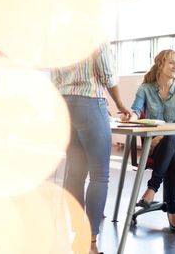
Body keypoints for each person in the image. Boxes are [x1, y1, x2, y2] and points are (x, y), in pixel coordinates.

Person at [51, 42, 131, 254]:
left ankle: (78, 232)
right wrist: (121, 105)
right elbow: (107, 75)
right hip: (90, 101)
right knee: (99, 174)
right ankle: (91, 239)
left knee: (75, 174)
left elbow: (54, 79)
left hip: (65, 105)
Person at [121, 49, 175, 233]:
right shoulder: (145, 89)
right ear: (160, 64)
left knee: (173, 140)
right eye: (172, 62)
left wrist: (161, 135)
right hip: (156, 146)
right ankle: (173, 210)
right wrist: (131, 117)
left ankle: (152, 188)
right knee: (173, 157)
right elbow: (136, 110)